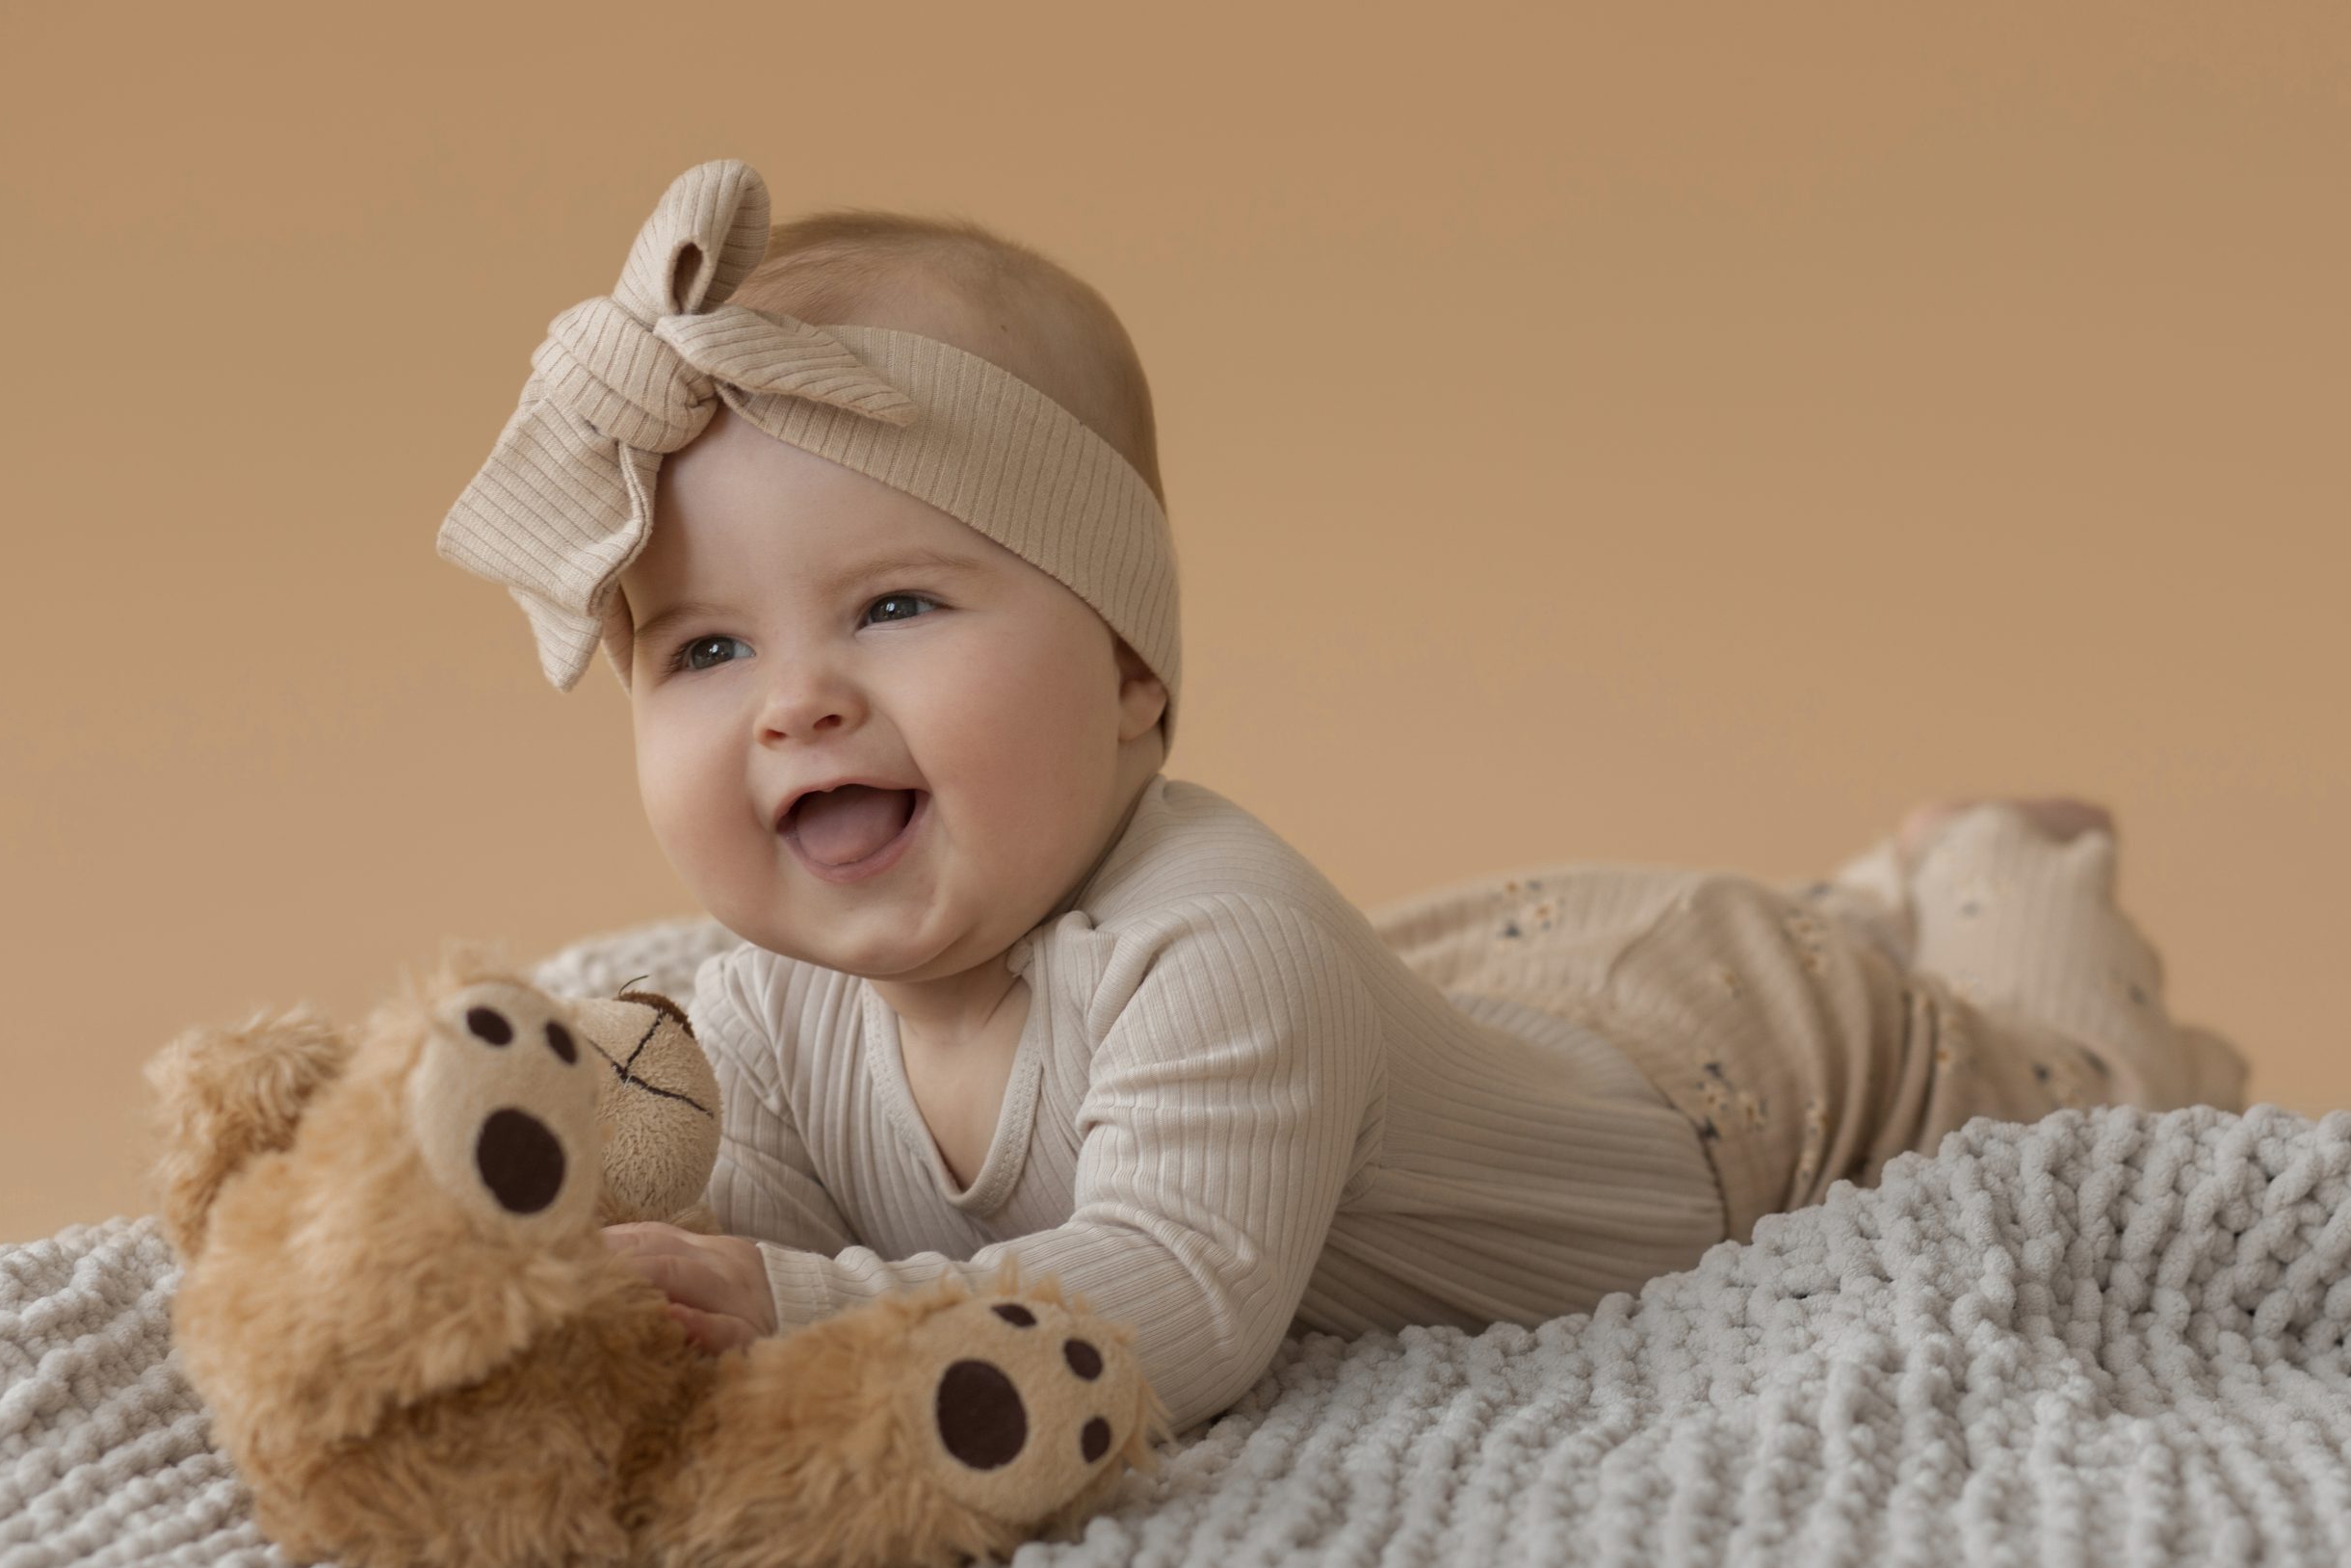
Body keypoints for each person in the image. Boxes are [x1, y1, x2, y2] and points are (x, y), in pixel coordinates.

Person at [434, 159, 2251, 1433]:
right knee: (1441, 1011)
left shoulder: (1225, 943)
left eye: (895, 606)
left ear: (1133, 673)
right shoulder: (769, 1004)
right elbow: (745, 1211)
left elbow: (1182, 1300)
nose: (798, 702)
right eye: (701, 653)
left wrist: (792, 1315)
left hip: (1754, 1070)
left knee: (2075, 1088)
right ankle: (1867, 882)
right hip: (1495, 983)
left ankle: (1991, 862)